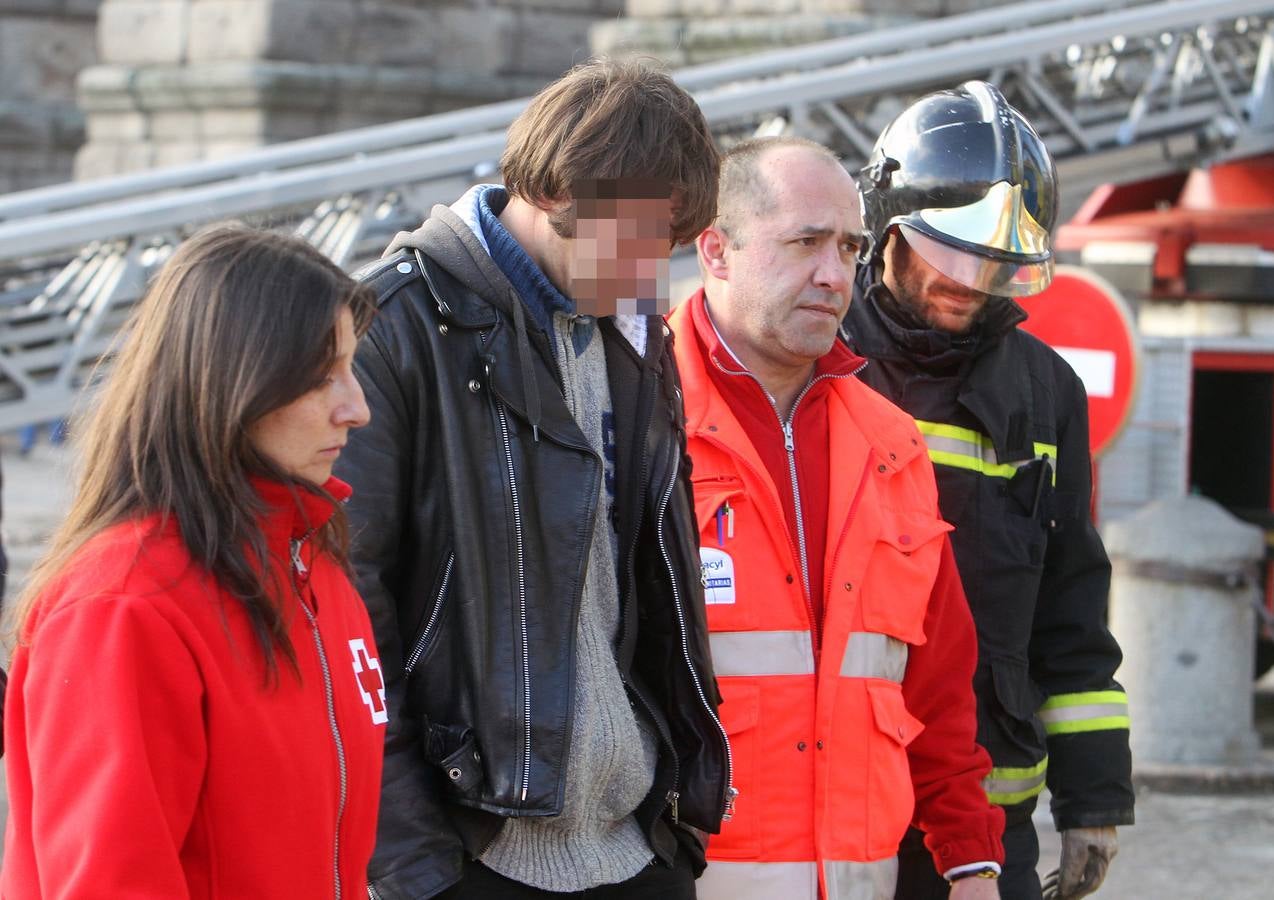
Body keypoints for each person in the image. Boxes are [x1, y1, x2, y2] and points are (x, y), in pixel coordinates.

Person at [336, 57, 731, 900]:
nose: (651, 274)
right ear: (557, 192)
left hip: (633, 843)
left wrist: (674, 818)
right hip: (470, 852)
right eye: (639, 238)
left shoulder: (630, 332)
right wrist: (412, 864)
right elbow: (350, 613)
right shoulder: (394, 329)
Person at [0, 224, 385, 897]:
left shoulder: (311, 559)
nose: (358, 409)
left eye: (352, 369)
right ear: (234, 383)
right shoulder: (124, 608)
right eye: (323, 377)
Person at [669, 135, 1005, 900]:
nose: (832, 274)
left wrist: (969, 858)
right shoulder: (633, 421)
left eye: (849, 247)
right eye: (804, 242)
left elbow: (937, 686)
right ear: (715, 251)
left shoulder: (890, 445)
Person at [842, 81, 1134, 900]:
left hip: (983, 818)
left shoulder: (1046, 394)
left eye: (995, 264)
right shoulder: (816, 362)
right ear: (886, 226)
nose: (969, 284)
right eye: (951, 255)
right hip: (827, 800)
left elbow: (1070, 602)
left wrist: (1093, 798)